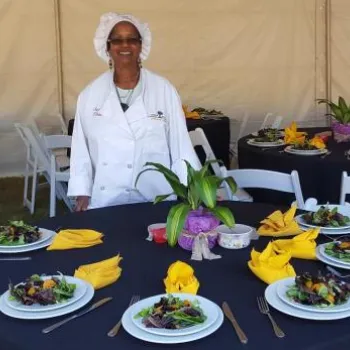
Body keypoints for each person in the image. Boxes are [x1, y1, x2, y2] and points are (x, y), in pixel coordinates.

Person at [68, 13, 200, 211]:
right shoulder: (90, 95)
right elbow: (80, 149)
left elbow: (180, 144)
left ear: (141, 45)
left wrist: (191, 192)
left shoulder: (164, 90)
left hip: (156, 198)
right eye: (117, 40)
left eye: (132, 39)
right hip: (107, 199)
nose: (125, 46)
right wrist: (82, 192)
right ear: (107, 47)